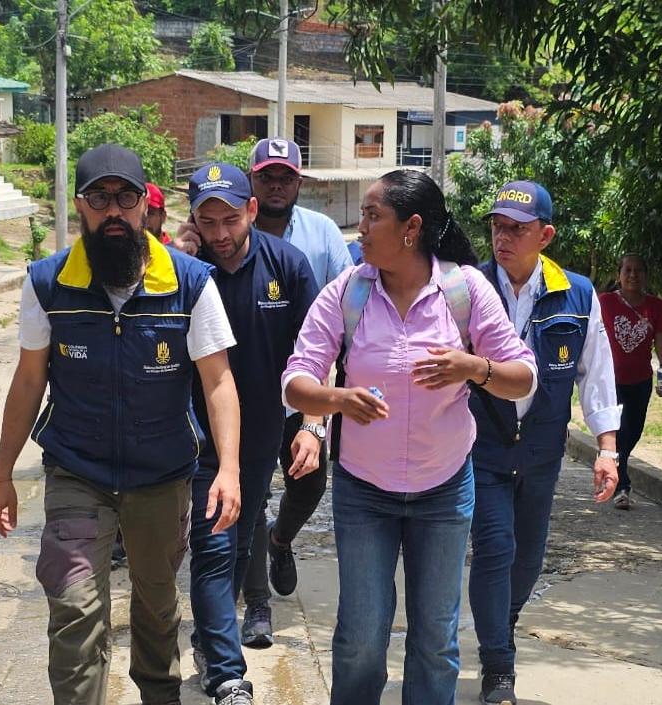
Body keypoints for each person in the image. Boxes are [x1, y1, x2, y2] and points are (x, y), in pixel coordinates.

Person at [0, 144, 244, 705]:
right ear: (79, 205)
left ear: (145, 206)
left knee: (156, 605)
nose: (113, 212)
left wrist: (229, 469)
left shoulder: (190, 282)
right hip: (77, 470)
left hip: (162, 475)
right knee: (74, 607)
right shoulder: (48, 283)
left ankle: (160, 695)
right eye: (99, 199)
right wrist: (2, 474)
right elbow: (28, 382)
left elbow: (218, 381)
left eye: (125, 198)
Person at [283, 170, 536, 704]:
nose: (361, 228)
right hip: (363, 491)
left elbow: (523, 378)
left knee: (436, 640)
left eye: (373, 216)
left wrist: (474, 367)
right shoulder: (347, 292)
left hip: (445, 490)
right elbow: (296, 379)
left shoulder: (465, 291)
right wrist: (337, 399)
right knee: (360, 637)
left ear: (411, 228)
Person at [467, 180, 622, 705]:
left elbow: (596, 375)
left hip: (541, 452)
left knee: (529, 559)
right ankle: (498, 666)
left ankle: (502, 625)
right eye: (497, 227)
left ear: (546, 235)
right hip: (481, 447)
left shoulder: (576, 294)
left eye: (517, 229)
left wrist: (607, 449)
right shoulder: (467, 289)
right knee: (495, 548)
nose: (503, 238)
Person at [183, 162, 318, 704]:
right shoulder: (182, 269)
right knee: (214, 542)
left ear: (253, 211)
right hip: (195, 432)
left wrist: (312, 425)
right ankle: (225, 670)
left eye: (231, 220)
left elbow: (317, 351)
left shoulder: (288, 265)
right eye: (207, 221)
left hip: (262, 430)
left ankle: (208, 637)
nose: (219, 234)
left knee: (238, 542)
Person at [237, 137, 356, 645]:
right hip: (243, 390)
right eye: (266, 176)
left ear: (299, 182)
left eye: (285, 177)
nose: (276, 186)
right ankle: (257, 606)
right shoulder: (229, 232)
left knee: (309, 485)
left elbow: (347, 310)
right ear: (252, 181)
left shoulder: (322, 233)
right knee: (250, 495)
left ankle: (280, 539)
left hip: (304, 389)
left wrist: (317, 415)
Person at [597, 253, 662, 510]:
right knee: (620, 432)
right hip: (610, 381)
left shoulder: (655, 306)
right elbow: (592, 337)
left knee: (634, 432)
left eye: (638, 270)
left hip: (640, 381)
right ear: (618, 275)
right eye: (627, 270)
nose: (633, 275)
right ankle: (622, 486)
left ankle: (611, 464)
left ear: (646, 275)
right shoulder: (605, 302)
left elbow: (661, 341)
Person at [144, 182, 175, 247]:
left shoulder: (171, 250)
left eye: (149, 213)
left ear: (163, 216)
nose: (143, 219)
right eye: (139, 213)